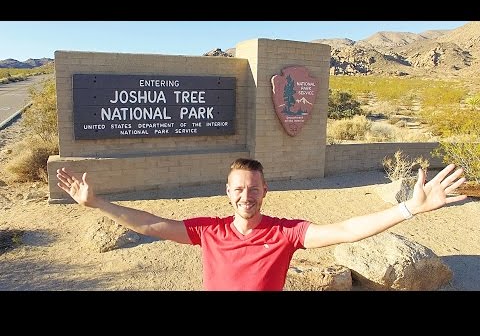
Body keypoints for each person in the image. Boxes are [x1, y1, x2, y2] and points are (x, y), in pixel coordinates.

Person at [56, 158, 467, 291]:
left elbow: (345, 230)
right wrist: (96, 203)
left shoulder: (285, 233)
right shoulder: (209, 231)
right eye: (238, 189)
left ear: (264, 190)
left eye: (253, 189)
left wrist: (410, 210)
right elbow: (150, 224)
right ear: (228, 191)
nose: (245, 196)